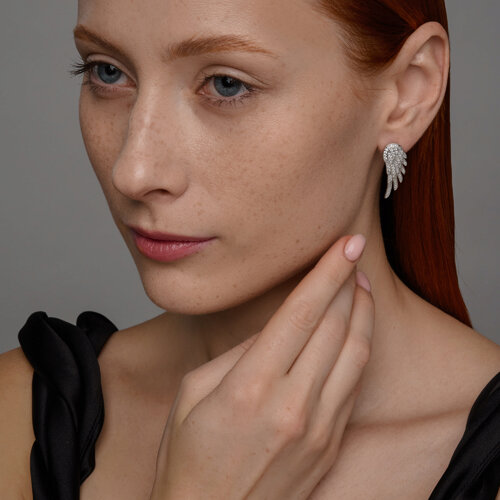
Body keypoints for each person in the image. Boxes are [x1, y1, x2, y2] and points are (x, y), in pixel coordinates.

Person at [0, 0, 499, 498]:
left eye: (226, 84)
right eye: (107, 72)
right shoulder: (16, 414)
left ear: (408, 92)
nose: (133, 172)